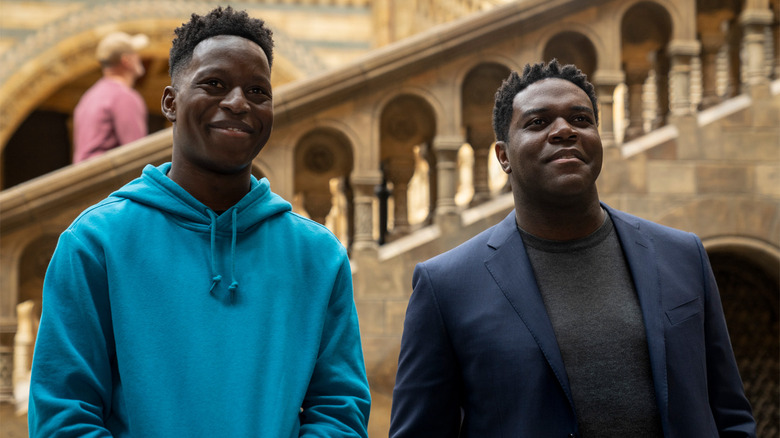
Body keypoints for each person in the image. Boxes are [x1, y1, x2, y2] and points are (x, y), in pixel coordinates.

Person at [29, 6, 371, 437]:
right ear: (171, 102)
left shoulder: (318, 257)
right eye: (214, 84)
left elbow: (339, 410)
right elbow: (64, 415)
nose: (237, 102)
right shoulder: (94, 244)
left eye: (257, 91)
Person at [389, 60, 755, 437]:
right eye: (538, 122)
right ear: (503, 156)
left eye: (580, 119)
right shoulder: (447, 285)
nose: (564, 130)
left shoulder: (682, 255)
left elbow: (730, 414)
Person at [72, 31, 149, 163]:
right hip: (111, 181)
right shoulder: (124, 97)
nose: (139, 57)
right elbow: (136, 155)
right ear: (127, 61)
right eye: (135, 53)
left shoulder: (88, 97)